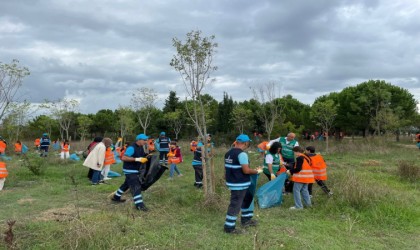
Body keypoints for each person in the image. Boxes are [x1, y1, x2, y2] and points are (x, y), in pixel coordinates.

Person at [224, 134, 263, 234]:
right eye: (248, 143)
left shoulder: (228, 153)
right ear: (246, 143)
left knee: (246, 200)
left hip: (235, 181)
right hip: (239, 183)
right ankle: (229, 227)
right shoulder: (242, 154)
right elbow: (246, 171)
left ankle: (246, 220)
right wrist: (256, 171)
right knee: (236, 204)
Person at [111, 134, 150, 212]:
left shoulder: (141, 147)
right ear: (139, 140)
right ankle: (140, 206)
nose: (146, 141)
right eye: (144, 140)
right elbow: (124, 158)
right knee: (136, 186)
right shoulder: (132, 147)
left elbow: (140, 155)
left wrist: (147, 156)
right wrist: (137, 159)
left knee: (126, 184)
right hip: (130, 170)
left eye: (146, 140)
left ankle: (116, 197)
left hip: (135, 169)